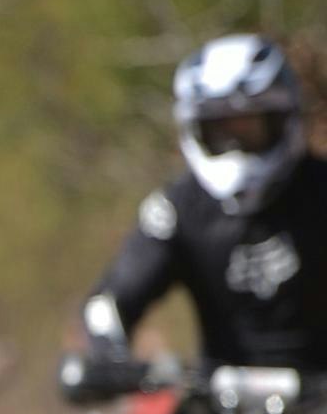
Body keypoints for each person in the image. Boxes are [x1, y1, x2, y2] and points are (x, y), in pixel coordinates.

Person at [82, 34, 327, 381]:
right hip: (217, 403)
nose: (235, 145)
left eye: (248, 128)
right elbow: (113, 299)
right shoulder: (177, 210)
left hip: (320, 403)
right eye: (219, 129)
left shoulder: (319, 191)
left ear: (281, 119)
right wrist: (107, 358)